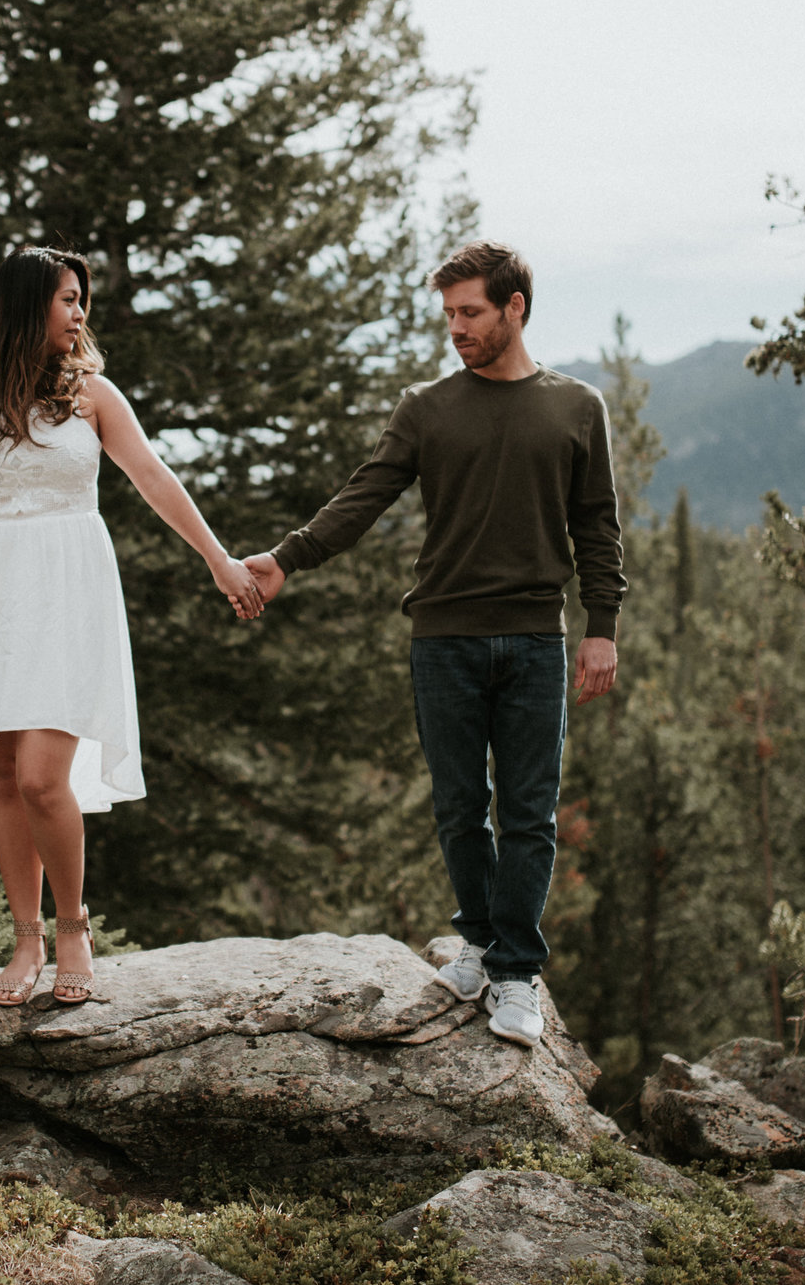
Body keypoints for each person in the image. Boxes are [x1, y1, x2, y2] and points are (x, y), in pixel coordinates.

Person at [244, 239, 623, 1048]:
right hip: (443, 638)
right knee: (459, 810)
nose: (456, 327)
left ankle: (515, 971)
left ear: (514, 307)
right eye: (449, 313)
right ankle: (481, 943)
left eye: (471, 312)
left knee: (528, 815)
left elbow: (598, 527)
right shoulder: (427, 406)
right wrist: (285, 557)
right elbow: (364, 495)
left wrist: (603, 629)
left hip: (534, 642)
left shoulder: (577, 406)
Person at [0, 246, 264, 1007]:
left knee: (45, 776)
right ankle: (24, 937)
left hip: (69, 591)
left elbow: (152, 475)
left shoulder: (93, 395)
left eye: (81, 300)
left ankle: (72, 924)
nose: (79, 314)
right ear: (24, 306)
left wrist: (217, 558)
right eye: (68, 299)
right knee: (7, 777)